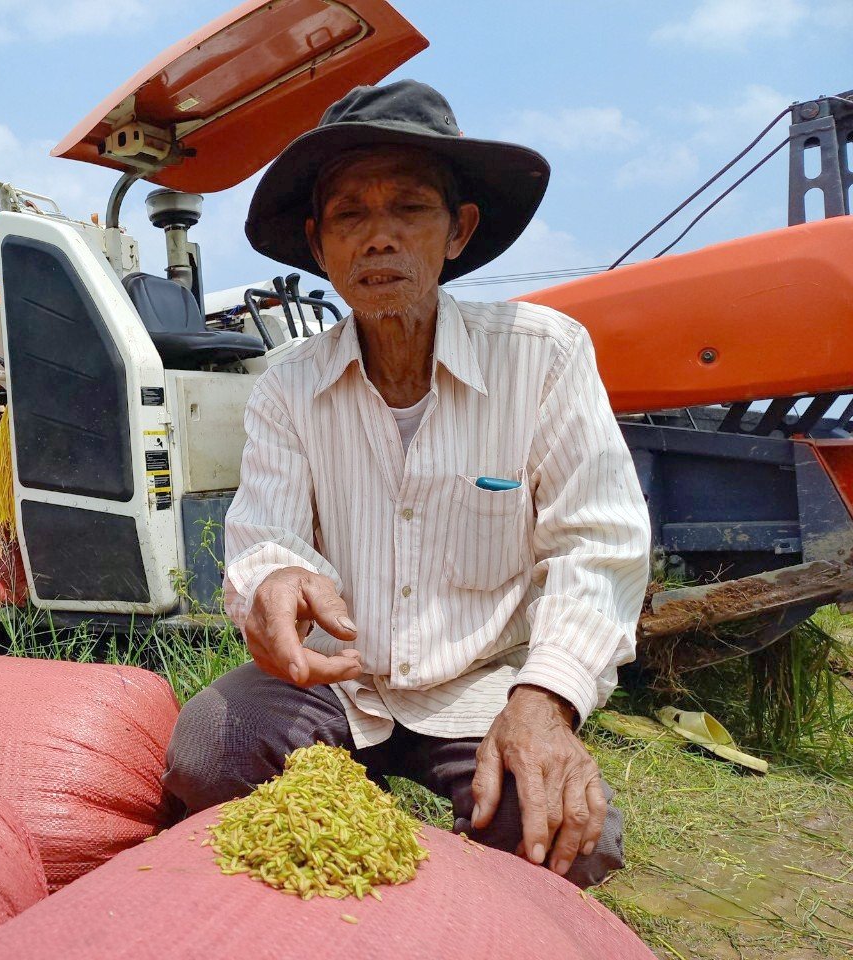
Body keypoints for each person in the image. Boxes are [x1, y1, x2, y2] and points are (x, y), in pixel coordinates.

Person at [161, 80, 651, 889]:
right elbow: (265, 539)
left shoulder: (546, 355)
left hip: (483, 686)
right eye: (350, 216)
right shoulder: (287, 385)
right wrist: (273, 582)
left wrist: (545, 701)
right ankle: (351, 804)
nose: (379, 237)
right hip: (338, 686)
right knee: (212, 752)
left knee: (568, 842)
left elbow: (598, 545)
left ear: (457, 232)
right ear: (320, 247)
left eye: (410, 210)